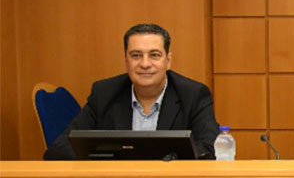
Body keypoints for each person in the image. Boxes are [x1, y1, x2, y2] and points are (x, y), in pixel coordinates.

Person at [44, 23, 220, 160]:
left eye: (154, 55)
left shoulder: (193, 95)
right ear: (126, 61)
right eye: (136, 55)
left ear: (168, 61)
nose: (145, 64)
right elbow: (60, 148)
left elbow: (208, 150)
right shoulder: (104, 93)